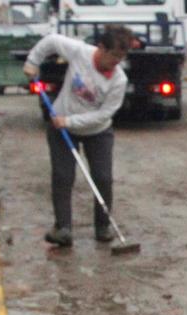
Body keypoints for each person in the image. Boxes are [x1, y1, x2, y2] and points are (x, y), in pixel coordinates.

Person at [23, 25, 131, 248]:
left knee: (102, 178)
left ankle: (102, 226)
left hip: (97, 132)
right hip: (61, 130)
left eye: (121, 57)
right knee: (62, 177)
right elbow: (51, 40)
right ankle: (63, 228)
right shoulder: (80, 52)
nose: (117, 62)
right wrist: (33, 62)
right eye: (114, 56)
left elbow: (104, 115)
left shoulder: (118, 80)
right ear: (101, 48)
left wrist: (70, 121)